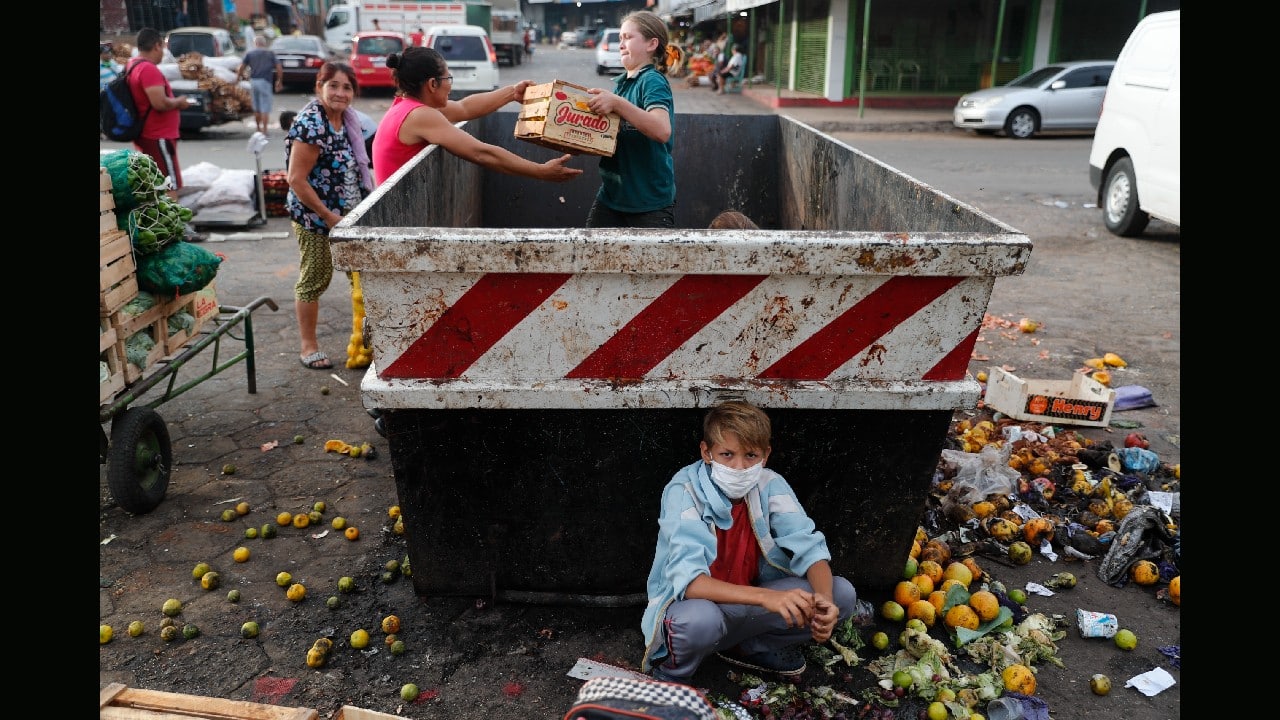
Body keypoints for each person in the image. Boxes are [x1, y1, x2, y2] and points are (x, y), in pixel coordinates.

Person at [641, 400, 859, 685]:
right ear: (707, 452)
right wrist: (768, 598)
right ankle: (671, 675)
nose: (739, 467)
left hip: (751, 605)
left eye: (751, 455)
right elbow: (691, 582)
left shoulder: (770, 485)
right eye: (727, 454)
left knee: (841, 594)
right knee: (697, 622)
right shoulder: (684, 491)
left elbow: (810, 549)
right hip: (705, 608)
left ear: (765, 456)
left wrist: (825, 603)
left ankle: (748, 648)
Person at [372, 46, 581, 186]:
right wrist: (540, 171)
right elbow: (481, 153)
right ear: (432, 84)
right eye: (448, 78)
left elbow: (464, 108)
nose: (450, 85)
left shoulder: (407, 107)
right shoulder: (420, 116)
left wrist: (511, 93)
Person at [285, 62, 376, 370]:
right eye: (333, 85)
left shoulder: (350, 121)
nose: (340, 93)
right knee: (315, 278)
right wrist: (326, 215)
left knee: (362, 280)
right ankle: (308, 346)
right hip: (315, 217)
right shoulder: (311, 124)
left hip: (351, 216)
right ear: (319, 87)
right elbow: (296, 179)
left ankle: (365, 345)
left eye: (347, 87)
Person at [583, 10, 680, 229]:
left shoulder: (652, 81)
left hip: (649, 203)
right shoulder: (622, 84)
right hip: (612, 195)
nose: (621, 44)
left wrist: (617, 103)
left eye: (628, 37)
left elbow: (662, 130)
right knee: (589, 258)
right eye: (620, 39)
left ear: (651, 44)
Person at [127, 27, 191, 199]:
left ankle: (163, 222)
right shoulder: (148, 69)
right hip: (158, 136)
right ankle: (173, 224)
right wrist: (179, 102)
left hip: (149, 135)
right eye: (162, 48)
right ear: (156, 46)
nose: (163, 52)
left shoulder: (133, 65)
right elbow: (159, 103)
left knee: (158, 184)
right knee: (169, 185)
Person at [237, 35, 284, 135]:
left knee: (257, 106)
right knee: (265, 107)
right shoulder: (270, 53)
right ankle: (265, 130)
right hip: (265, 81)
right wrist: (279, 81)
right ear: (264, 43)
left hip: (254, 81)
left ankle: (258, 128)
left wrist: (239, 77)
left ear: (255, 43)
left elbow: (241, 67)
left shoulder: (250, 53)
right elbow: (279, 67)